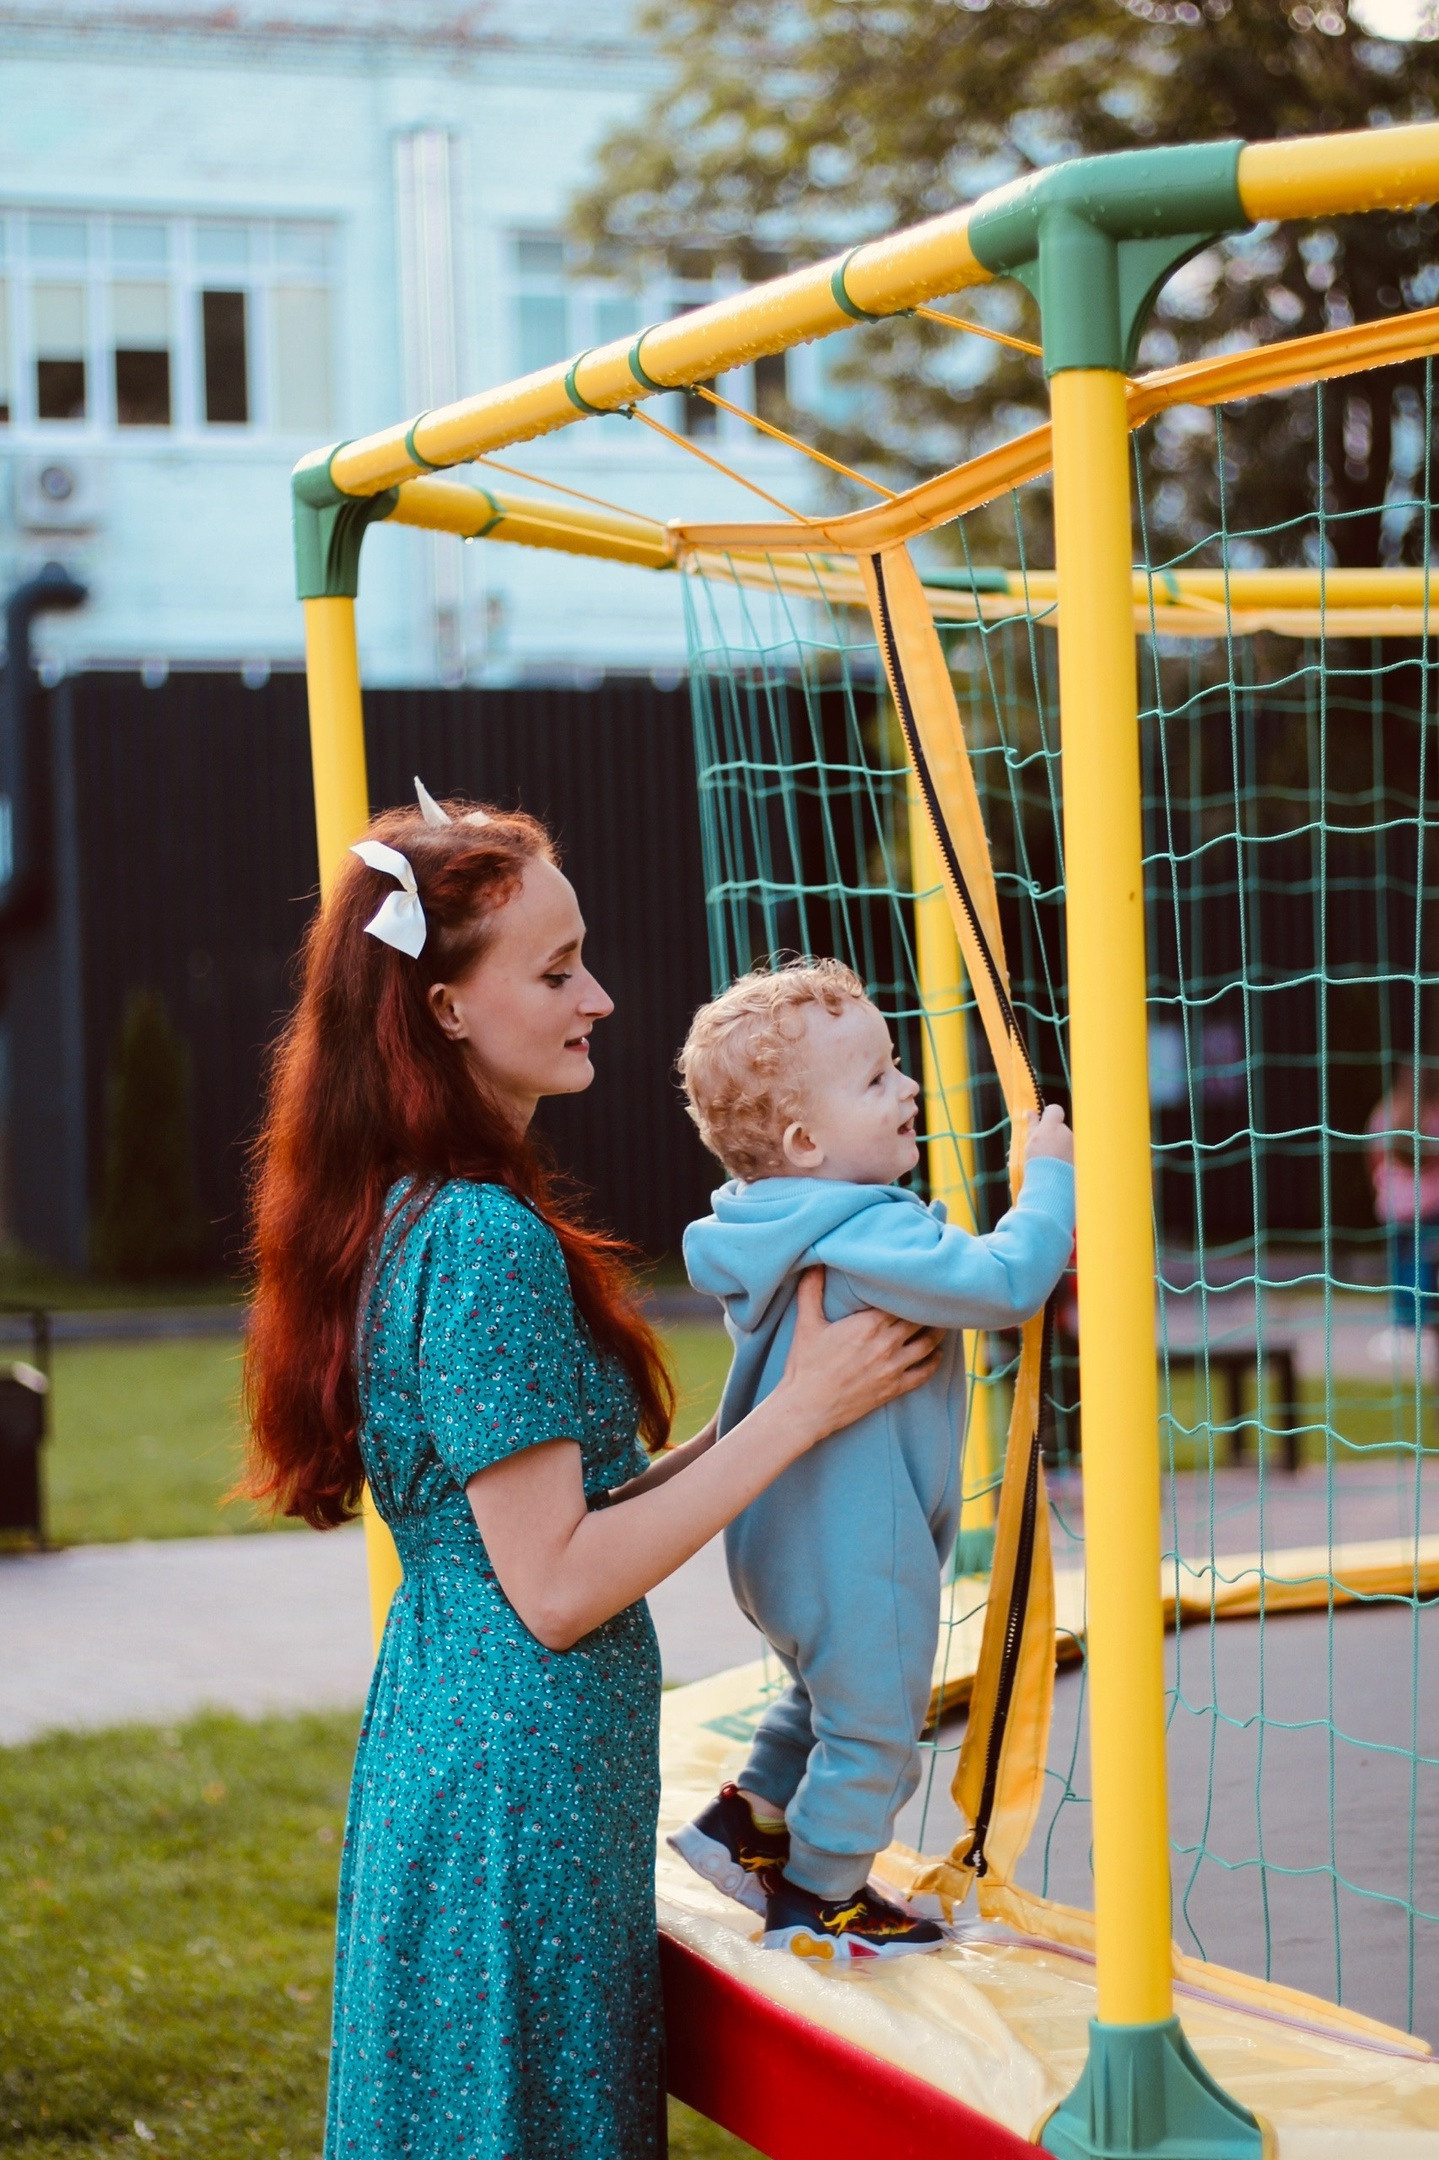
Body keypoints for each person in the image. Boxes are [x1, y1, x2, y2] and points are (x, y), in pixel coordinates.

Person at [242, 789, 943, 2160]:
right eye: (557, 971)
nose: (600, 999)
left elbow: (549, 1514)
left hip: (466, 1750)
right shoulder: (480, 1240)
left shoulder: (412, 1209)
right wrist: (800, 1411)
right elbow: (555, 1586)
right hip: (516, 1786)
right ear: (446, 1008)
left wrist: (776, 1416)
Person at [670, 959, 1075, 1962]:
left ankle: (744, 1824)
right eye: (875, 1079)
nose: (906, 1089)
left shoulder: (763, 1228)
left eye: (894, 1065)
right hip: (854, 1545)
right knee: (876, 1727)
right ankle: (823, 1894)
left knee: (823, 1698)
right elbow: (1006, 1283)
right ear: (805, 1144)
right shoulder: (862, 1231)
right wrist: (1048, 1181)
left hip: (774, 1538)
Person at [1366, 1060, 1439, 1358]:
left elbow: (1373, 1157)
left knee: (1404, 1267)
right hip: (1427, 1204)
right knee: (1421, 1268)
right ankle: (1421, 1327)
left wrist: (1382, 1187)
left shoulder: (1385, 1113)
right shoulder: (1430, 1115)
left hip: (1400, 1205)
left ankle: (1406, 1327)